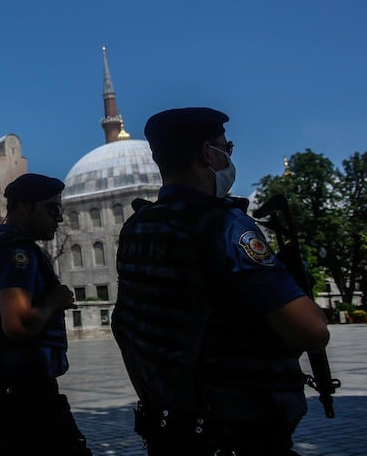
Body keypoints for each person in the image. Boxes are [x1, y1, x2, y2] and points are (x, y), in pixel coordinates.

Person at [111, 107, 330, 455]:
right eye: (225, 147)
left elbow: (124, 324)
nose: (228, 155)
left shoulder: (136, 228)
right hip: (237, 429)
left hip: (170, 424)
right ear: (207, 153)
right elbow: (311, 331)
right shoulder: (223, 225)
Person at [0, 173, 91, 455]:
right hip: (22, 392)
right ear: (23, 208)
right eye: (52, 210)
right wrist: (53, 303)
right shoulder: (17, 252)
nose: (58, 219)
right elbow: (16, 325)